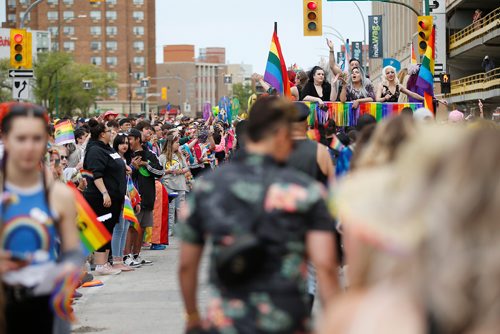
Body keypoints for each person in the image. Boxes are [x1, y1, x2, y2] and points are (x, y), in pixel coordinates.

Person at [178, 96, 339, 333]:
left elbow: (186, 265)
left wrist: (192, 316)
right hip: (287, 319)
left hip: (227, 322)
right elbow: (325, 264)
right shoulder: (305, 191)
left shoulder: (207, 187)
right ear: (282, 135)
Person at [0, 102, 83, 333]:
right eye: (21, 138)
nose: (29, 147)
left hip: (45, 306)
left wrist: (65, 272)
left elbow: (72, 250)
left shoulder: (59, 195)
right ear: (6, 138)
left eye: (36, 139)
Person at [83, 119, 126, 275]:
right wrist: (105, 193)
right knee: (103, 228)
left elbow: (115, 164)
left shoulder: (107, 148)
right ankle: (101, 264)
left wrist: (124, 167)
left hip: (116, 196)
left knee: (109, 227)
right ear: (102, 134)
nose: (112, 133)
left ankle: (106, 262)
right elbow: (96, 173)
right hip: (101, 197)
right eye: (109, 132)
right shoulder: (95, 150)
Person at [125, 128, 163, 264]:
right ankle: (126, 256)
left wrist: (145, 164)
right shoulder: (125, 155)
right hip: (132, 197)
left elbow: (160, 172)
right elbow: (125, 173)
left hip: (147, 196)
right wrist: (133, 166)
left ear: (137, 139)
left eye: (130, 139)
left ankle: (136, 255)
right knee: (131, 227)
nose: (127, 142)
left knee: (141, 227)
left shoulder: (149, 154)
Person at [110, 134, 135, 271]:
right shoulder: (115, 158)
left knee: (125, 228)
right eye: (121, 143)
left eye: (126, 142)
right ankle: (116, 260)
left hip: (127, 197)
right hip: (119, 197)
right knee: (119, 229)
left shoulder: (126, 159)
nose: (124, 145)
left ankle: (120, 258)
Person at [159, 135, 189, 237]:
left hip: (180, 184)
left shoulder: (180, 155)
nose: (178, 144)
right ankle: (169, 230)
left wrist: (180, 170)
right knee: (170, 209)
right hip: (169, 184)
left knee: (180, 209)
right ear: (170, 144)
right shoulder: (162, 157)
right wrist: (169, 171)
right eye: (176, 143)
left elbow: (186, 168)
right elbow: (160, 171)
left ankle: (181, 230)